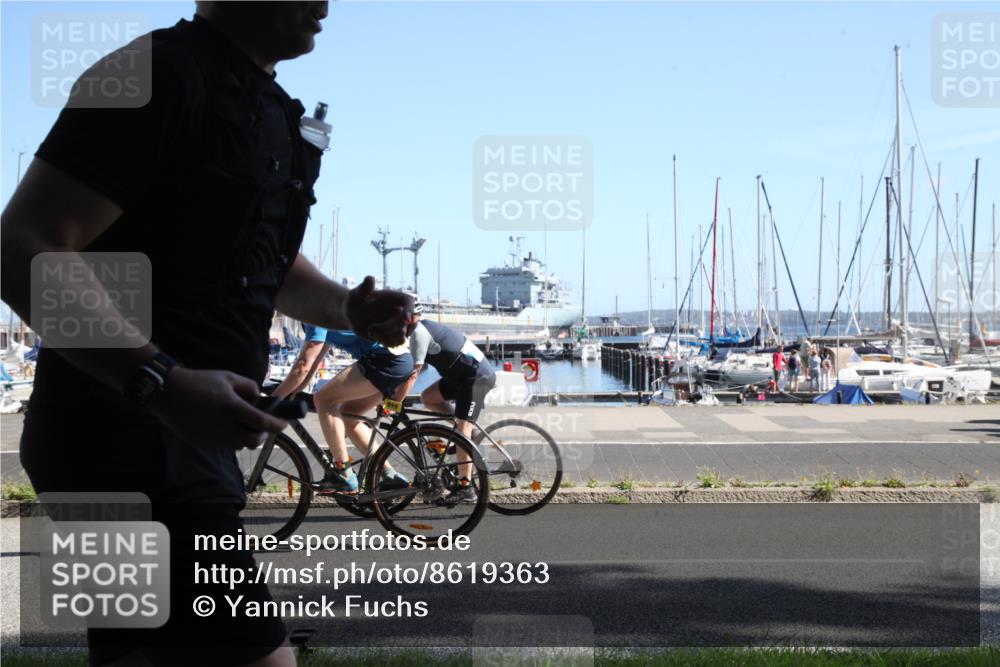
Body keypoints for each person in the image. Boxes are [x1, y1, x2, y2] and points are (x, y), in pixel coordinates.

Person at [0, 3, 416, 665]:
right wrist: (159, 380)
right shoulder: (155, 73)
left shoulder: (276, 108)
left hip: (180, 434)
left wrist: (350, 308)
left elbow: (265, 262)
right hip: (126, 438)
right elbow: (24, 244)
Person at [393, 310, 497, 502]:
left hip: (476, 377)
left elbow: (413, 375)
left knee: (461, 430)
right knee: (428, 398)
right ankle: (468, 436)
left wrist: (395, 402)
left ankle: (465, 487)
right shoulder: (416, 331)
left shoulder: (419, 333)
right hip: (459, 376)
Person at [311, 329, 414, 493]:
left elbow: (303, 363)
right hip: (398, 360)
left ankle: (343, 471)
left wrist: (280, 394)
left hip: (382, 359)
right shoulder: (323, 310)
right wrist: (300, 385)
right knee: (348, 416)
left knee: (323, 400)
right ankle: (389, 474)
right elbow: (315, 358)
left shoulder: (310, 314)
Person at [273, 322, 328, 397]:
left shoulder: (314, 317)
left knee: (322, 400)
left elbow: (303, 366)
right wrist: (296, 391)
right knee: (321, 400)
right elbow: (316, 360)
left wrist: (272, 400)